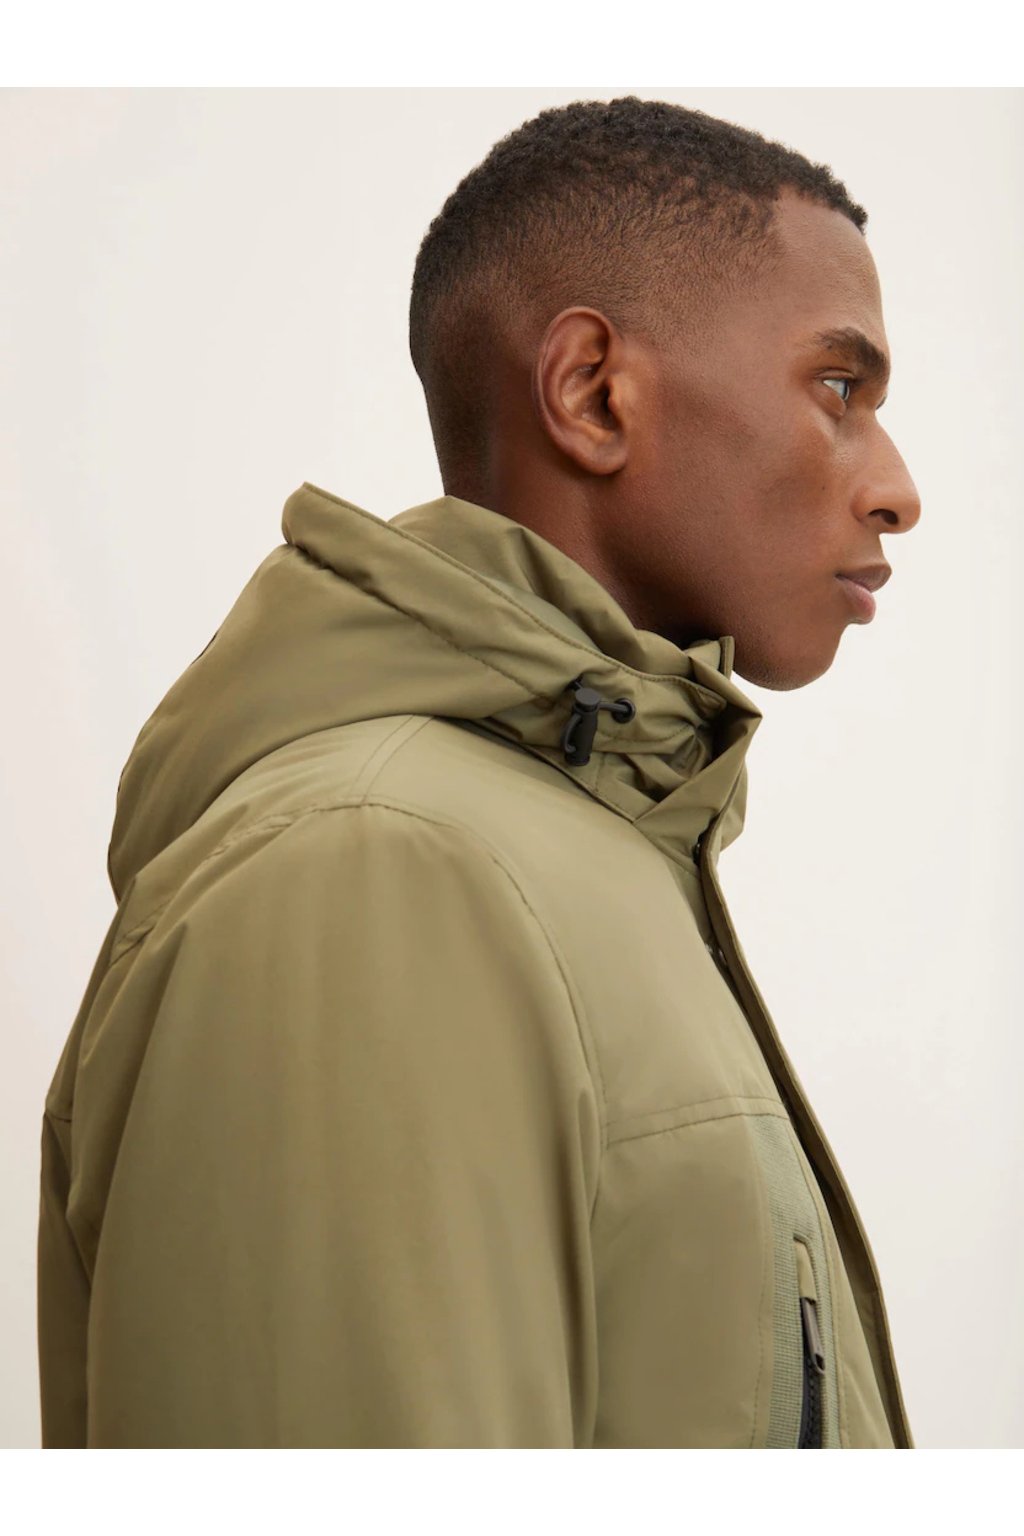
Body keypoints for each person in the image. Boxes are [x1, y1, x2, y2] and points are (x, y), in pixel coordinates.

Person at [37, 95, 920, 1448]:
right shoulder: (367, 873)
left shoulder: (577, 851)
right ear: (593, 392)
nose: (897, 488)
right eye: (840, 390)